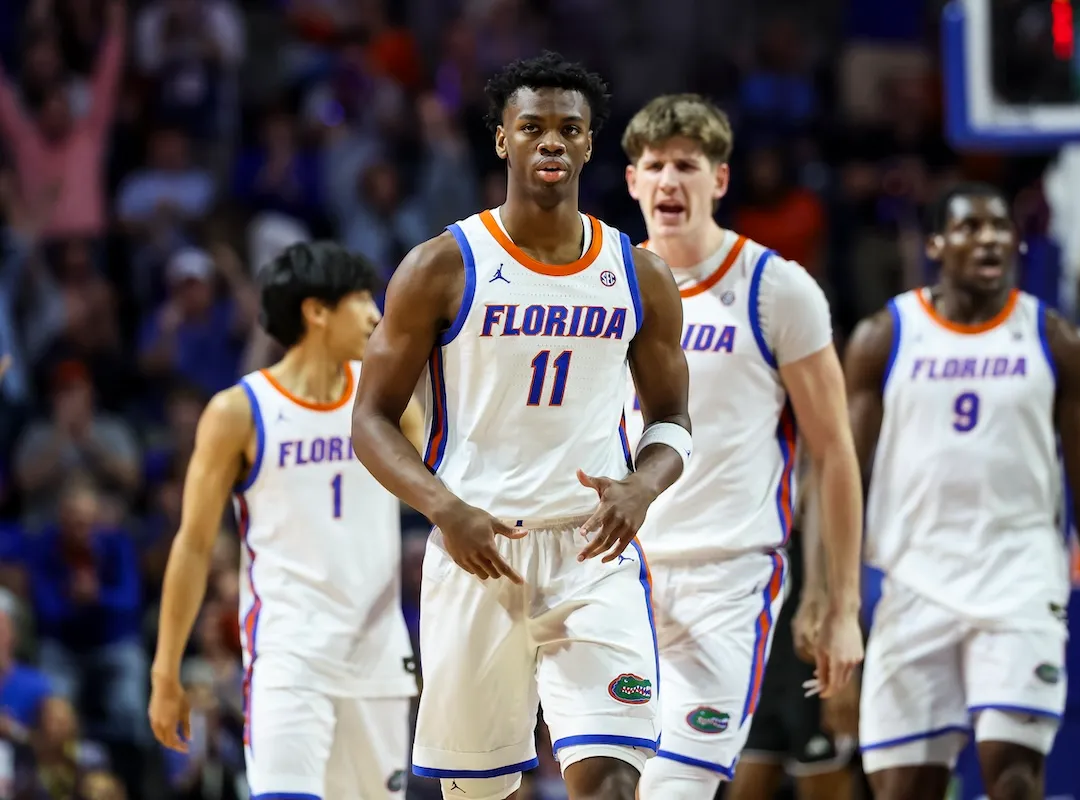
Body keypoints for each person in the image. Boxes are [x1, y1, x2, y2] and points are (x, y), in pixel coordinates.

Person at [351, 52, 692, 800]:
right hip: (479, 550)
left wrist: (641, 487)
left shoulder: (638, 274)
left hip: (592, 550)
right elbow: (370, 421)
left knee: (609, 784)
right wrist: (444, 510)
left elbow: (673, 422)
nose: (551, 141)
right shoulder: (441, 265)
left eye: (569, 128)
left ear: (591, 143)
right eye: (532, 126)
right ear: (502, 139)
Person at [836, 182, 1080, 800]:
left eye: (1000, 227)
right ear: (935, 244)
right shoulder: (885, 337)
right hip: (912, 588)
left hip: (1020, 587)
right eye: (970, 227)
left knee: (1014, 776)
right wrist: (835, 607)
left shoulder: (1058, 342)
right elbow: (844, 486)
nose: (990, 239)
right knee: (902, 788)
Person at [618, 93, 863, 799]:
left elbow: (836, 452)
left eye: (687, 165)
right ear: (632, 181)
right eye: (654, 165)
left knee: (671, 789)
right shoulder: (604, 288)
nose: (670, 181)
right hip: (615, 581)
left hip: (727, 580)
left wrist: (839, 604)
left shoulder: (777, 289)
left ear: (719, 181)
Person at [148, 241, 420, 799]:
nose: (376, 314)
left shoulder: (387, 398)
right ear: (316, 311)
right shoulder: (238, 411)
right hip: (288, 656)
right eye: (361, 300)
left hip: (379, 657)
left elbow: (450, 489)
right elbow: (195, 545)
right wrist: (165, 671)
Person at [732, 477, 861, 800]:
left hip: (808, 635)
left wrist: (843, 654)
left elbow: (831, 495)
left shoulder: (815, 456)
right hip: (757, 638)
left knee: (821, 776)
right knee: (748, 779)